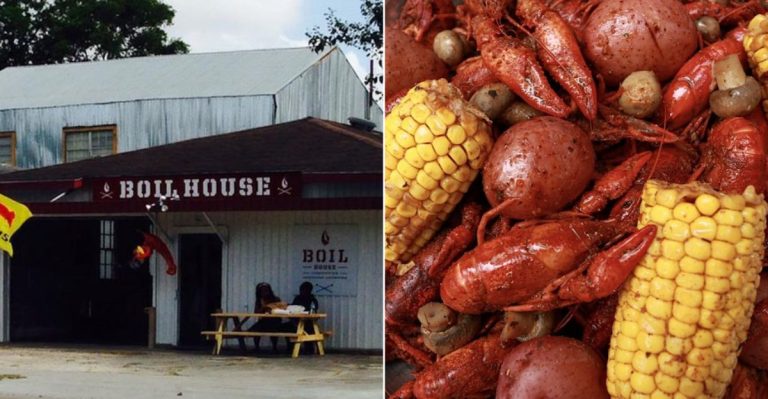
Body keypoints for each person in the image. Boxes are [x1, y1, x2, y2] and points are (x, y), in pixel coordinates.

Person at [250, 282, 288, 353]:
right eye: (262, 291)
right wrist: (263, 307)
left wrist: (272, 307)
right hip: (264, 321)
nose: (265, 292)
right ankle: (256, 347)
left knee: (274, 328)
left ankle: (274, 347)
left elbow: (282, 308)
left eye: (266, 290)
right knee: (255, 329)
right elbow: (256, 312)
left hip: (275, 321)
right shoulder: (259, 300)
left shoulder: (276, 299)